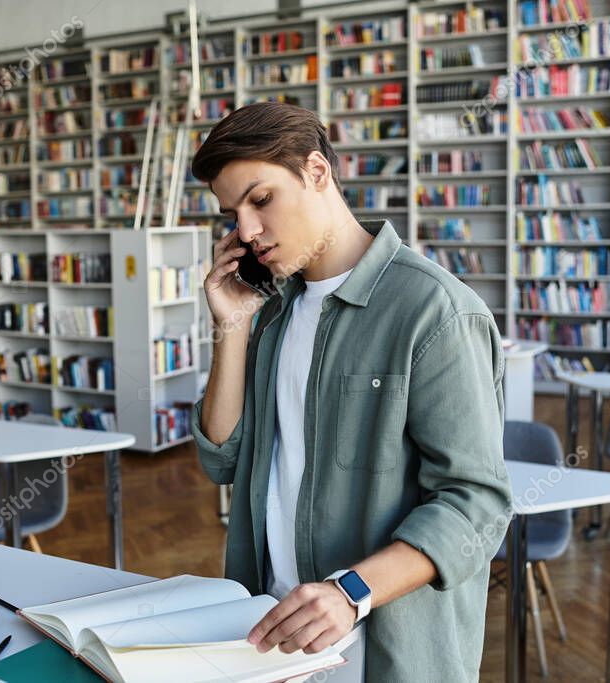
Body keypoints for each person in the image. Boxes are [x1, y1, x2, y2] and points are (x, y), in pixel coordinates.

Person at [190, 101, 513, 681]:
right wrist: (231, 329)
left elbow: (478, 506)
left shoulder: (434, 311)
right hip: (268, 628)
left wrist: (350, 591)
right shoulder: (269, 314)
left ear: (317, 172)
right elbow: (222, 458)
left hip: (385, 644)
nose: (246, 231)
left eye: (261, 200)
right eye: (233, 213)